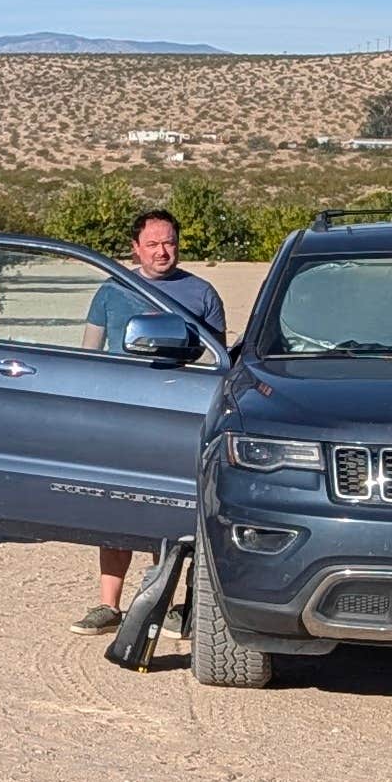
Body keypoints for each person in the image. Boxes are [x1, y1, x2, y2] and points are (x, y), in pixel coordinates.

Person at [75, 209, 228, 631]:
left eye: (169, 242)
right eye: (153, 244)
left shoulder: (202, 293)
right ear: (135, 248)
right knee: (116, 507)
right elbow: (89, 354)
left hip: (178, 416)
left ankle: (173, 605)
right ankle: (108, 606)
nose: (163, 251)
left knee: (173, 508)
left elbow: (218, 364)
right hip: (121, 415)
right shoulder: (112, 290)